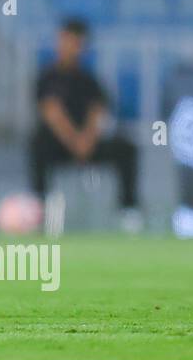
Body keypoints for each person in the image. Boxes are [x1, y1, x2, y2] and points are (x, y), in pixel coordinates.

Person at [28, 18, 141, 233]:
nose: (71, 47)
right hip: (58, 145)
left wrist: (87, 139)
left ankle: (129, 211)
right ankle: (40, 208)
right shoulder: (47, 77)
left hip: (88, 143)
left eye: (77, 42)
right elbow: (52, 113)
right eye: (67, 41)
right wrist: (74, 140)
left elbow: (98, 112)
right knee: (37, 144)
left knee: (126, 147)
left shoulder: (90, 81)